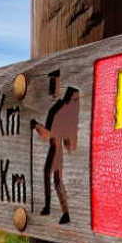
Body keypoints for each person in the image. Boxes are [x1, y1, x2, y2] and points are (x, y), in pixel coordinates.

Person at [31, 86, 80, 224]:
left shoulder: (61, 111)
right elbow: (53, 135)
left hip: (56, 149)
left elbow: (50, 135)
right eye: (74, 99)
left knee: (54, 178)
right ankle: (58, 210)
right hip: (55, 148)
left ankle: (61, 211)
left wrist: (36, 126)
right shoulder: (60, 110)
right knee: (53, 178)